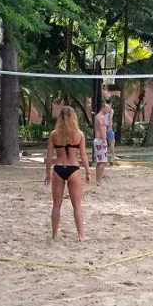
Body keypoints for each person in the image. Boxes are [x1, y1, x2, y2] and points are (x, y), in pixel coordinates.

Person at [44, 106, 91, 241]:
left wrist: (47, 173)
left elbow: (49, 156)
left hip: (58, 169)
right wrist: (88, 172)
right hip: (73, 169)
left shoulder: (54, 134)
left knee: (56, 205)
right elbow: (83, 155)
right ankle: (81, 235)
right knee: (77, 205)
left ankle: (54, 234)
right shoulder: (79, 134)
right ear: (74, 117)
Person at [93, 103, 111, 185]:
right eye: (107, 108)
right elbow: (102, 128)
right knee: (102, 161)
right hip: (100, 140)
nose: (108, 110)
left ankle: (98, 179)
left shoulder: (98, 116)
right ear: (103, 107)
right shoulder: (100, 117)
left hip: (98, 140)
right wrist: (104, 140)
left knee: (100, 161)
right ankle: (99, 180)